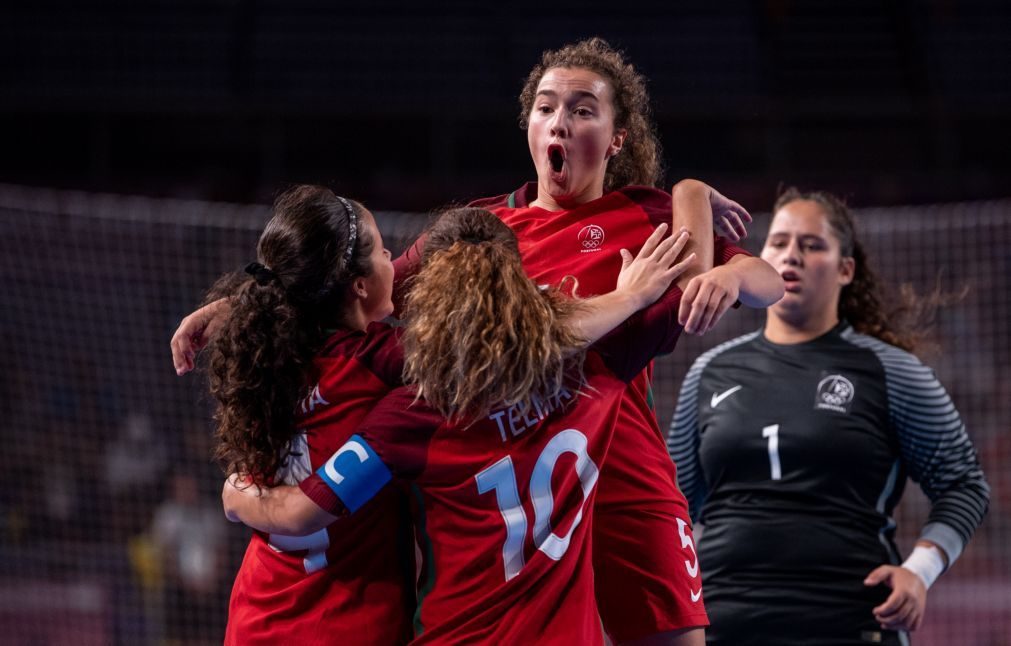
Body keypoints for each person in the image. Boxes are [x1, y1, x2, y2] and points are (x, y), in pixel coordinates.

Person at [172, 38, 785, 645]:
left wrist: (731, 272)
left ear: (617, 137)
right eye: (547, 108)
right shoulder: (485, 232)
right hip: (527, 459)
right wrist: (247, 302)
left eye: (582, 109)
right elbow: (348, 285)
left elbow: (765, 281)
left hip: (624, 473)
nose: (561, 123)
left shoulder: (642, 214)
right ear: (528, 125)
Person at [208, 185, 696, 644]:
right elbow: (516, 344)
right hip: (349, 625)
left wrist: (236, 492)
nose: (392, 264)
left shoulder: (279, 357)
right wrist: (642, 278)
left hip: (263, 611)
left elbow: (298, 509)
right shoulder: (406, 383)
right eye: (382, 252)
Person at [666, 188, 990, 646]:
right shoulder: (710, 371)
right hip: (726, 623)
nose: (790, 255)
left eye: (811, 244)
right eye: (778, 242)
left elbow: (964, 484)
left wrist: (920, 571)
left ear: (845, 269)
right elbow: (671, 504)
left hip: (848, 620)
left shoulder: (889, 370)